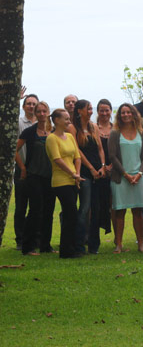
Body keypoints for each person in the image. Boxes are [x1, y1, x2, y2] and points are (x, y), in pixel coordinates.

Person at [109, 103, 143, 253]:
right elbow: (112, 156)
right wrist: (125, 174)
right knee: (119, 212)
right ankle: (119, 244)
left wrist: (139, 174)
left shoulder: (142, 133)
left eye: (128, 112)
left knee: (138, 212)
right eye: (123, 113)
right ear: (119, 116)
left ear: (134, 114)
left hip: (139, 177)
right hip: (121, 178)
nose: (126, 115)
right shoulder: (115, 133)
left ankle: (141, 244)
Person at [16, 101, 55, 255]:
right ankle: (28, 246)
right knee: (35, 211)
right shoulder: (30, 131)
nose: (41, 114)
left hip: (50, 177)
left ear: (48, 113)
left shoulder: (53, 132)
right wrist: (23, 167)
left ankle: (46, 245)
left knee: (48, 211)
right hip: (34, 176)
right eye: (38, 111)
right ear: (35, 113)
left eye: (44, 111)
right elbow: (15, 150)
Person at [45, 108, 84, 258]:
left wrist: (77, 174)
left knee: (72, 215)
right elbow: (57, 159)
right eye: (66, 119)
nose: (69, 121)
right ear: (56, 120)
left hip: (74, 180)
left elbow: (77, 156)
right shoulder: (52, 138)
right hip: (61, 181)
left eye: (69, 119)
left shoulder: (69, 136)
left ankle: (70, 247)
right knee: (70, 214)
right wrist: (72, 173)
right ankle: (66, 250)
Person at [71, 100, 106, 254]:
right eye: (88, 108)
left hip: (98, 173)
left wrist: (103, 166)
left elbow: (100, 148)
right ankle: (78, 244)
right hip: (84, 172)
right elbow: (76, 150)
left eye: (92, 108)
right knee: (84, 208)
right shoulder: (73, 128)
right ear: (79, 111)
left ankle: (94, 245)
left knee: (96, 208)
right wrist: (90, 168)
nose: (91, 111)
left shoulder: (94, 127)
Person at [11, 94, 38, 249]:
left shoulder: (42, 124)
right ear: (23, 106)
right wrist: (22, 167)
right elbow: (14, 147)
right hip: (21, 169)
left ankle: (35, 238)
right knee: (21, 206)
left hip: (38, 171)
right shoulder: (19, 122)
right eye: (28, 103)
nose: (31, 106)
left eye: (34, 104)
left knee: (37, 206)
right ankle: (20, 240)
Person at [95, 99, 114, 237]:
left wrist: (112, 166)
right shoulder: (93, 128)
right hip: (98, 171)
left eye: (107, 110)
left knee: (114, 205)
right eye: (101, 110)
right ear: (97, 111)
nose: (104, 113)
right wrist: (103, 167)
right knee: (97, 205)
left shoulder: (117, 128)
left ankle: (116, 238)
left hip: (115, 170)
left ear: (111, 111)